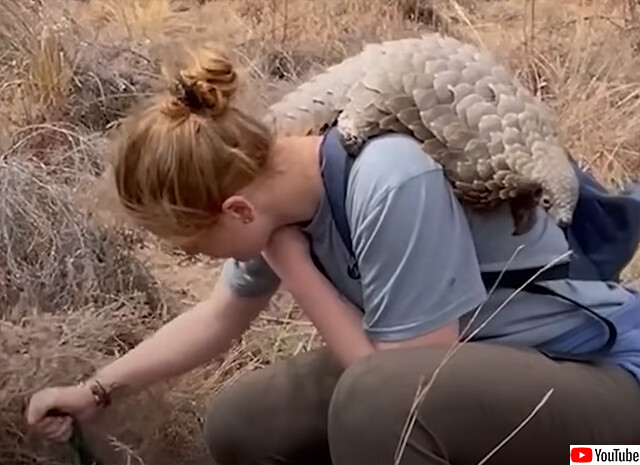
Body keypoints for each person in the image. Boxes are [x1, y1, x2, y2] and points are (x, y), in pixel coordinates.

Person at [26, 43, 640, 465]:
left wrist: (293, 264)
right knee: (244, 422)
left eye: (195, 245)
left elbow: (400, 383)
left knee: (378, 403)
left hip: (603, 400)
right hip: (483, 381)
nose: (195, 258)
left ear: (236, 212)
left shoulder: (388, 179)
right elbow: (217, 318)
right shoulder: (274, 190)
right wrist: (96, 389)